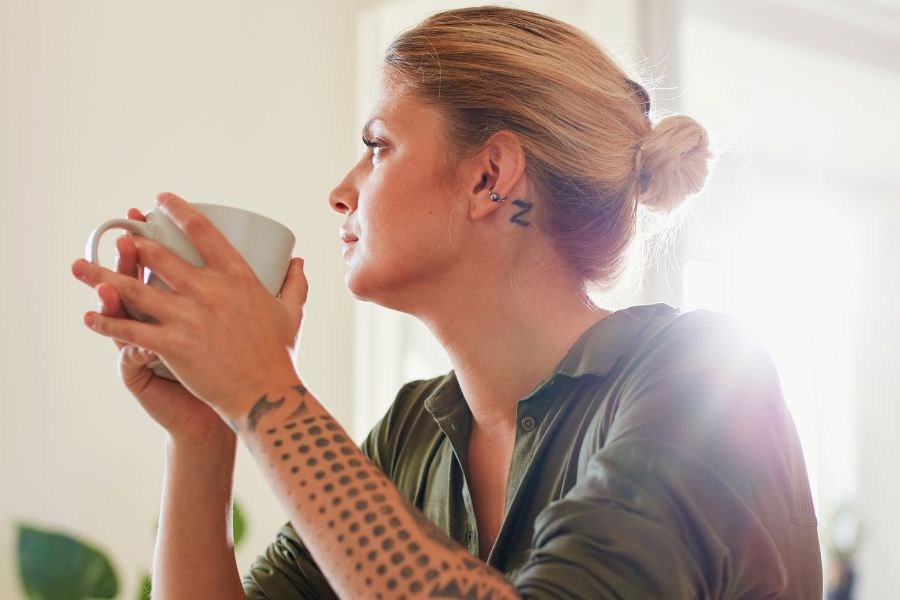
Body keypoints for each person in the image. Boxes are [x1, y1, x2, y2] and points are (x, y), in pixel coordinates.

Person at [71, 6, 822, 599]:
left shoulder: (707, 378)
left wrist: (265, 391)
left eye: (378, 146)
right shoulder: (413, 432)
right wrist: (206, 433)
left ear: (490, 177)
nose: (341, 191)